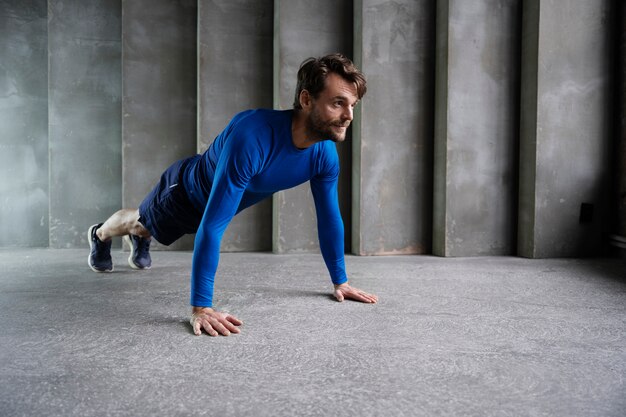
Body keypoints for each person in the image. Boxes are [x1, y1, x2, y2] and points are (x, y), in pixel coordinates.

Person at [87, 53, 378, 336]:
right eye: (338, 103)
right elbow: (213, 226)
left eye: (353, 105)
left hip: (214, 204)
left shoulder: (324, 155)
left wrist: (341, 281)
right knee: (140, 223)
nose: (348, 116)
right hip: (182, 195)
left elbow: (329, 219)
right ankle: (100, 234)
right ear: (306, 99)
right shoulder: (253, 137)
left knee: (149, 229)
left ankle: (140, 238)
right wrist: (201, 307)